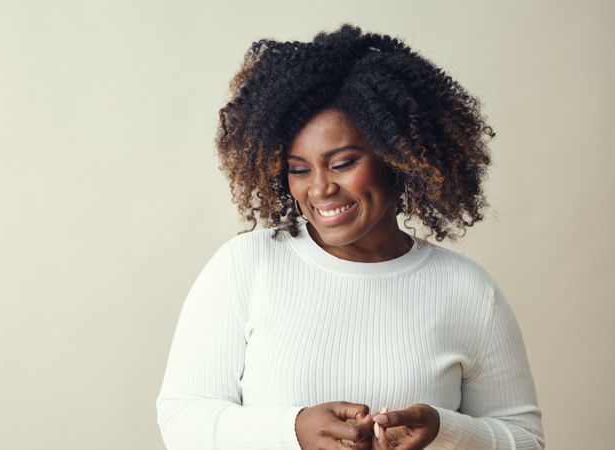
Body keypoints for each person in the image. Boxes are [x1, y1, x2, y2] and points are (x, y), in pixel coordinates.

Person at [156, 24, 544, 450]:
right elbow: (182, 420)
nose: (319, 189)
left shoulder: (469, 291)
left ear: (398, 157)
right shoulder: (246, 266)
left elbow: (524, 440)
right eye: (299, 169)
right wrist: (293, 430)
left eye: (342, 163)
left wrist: (443, 431)